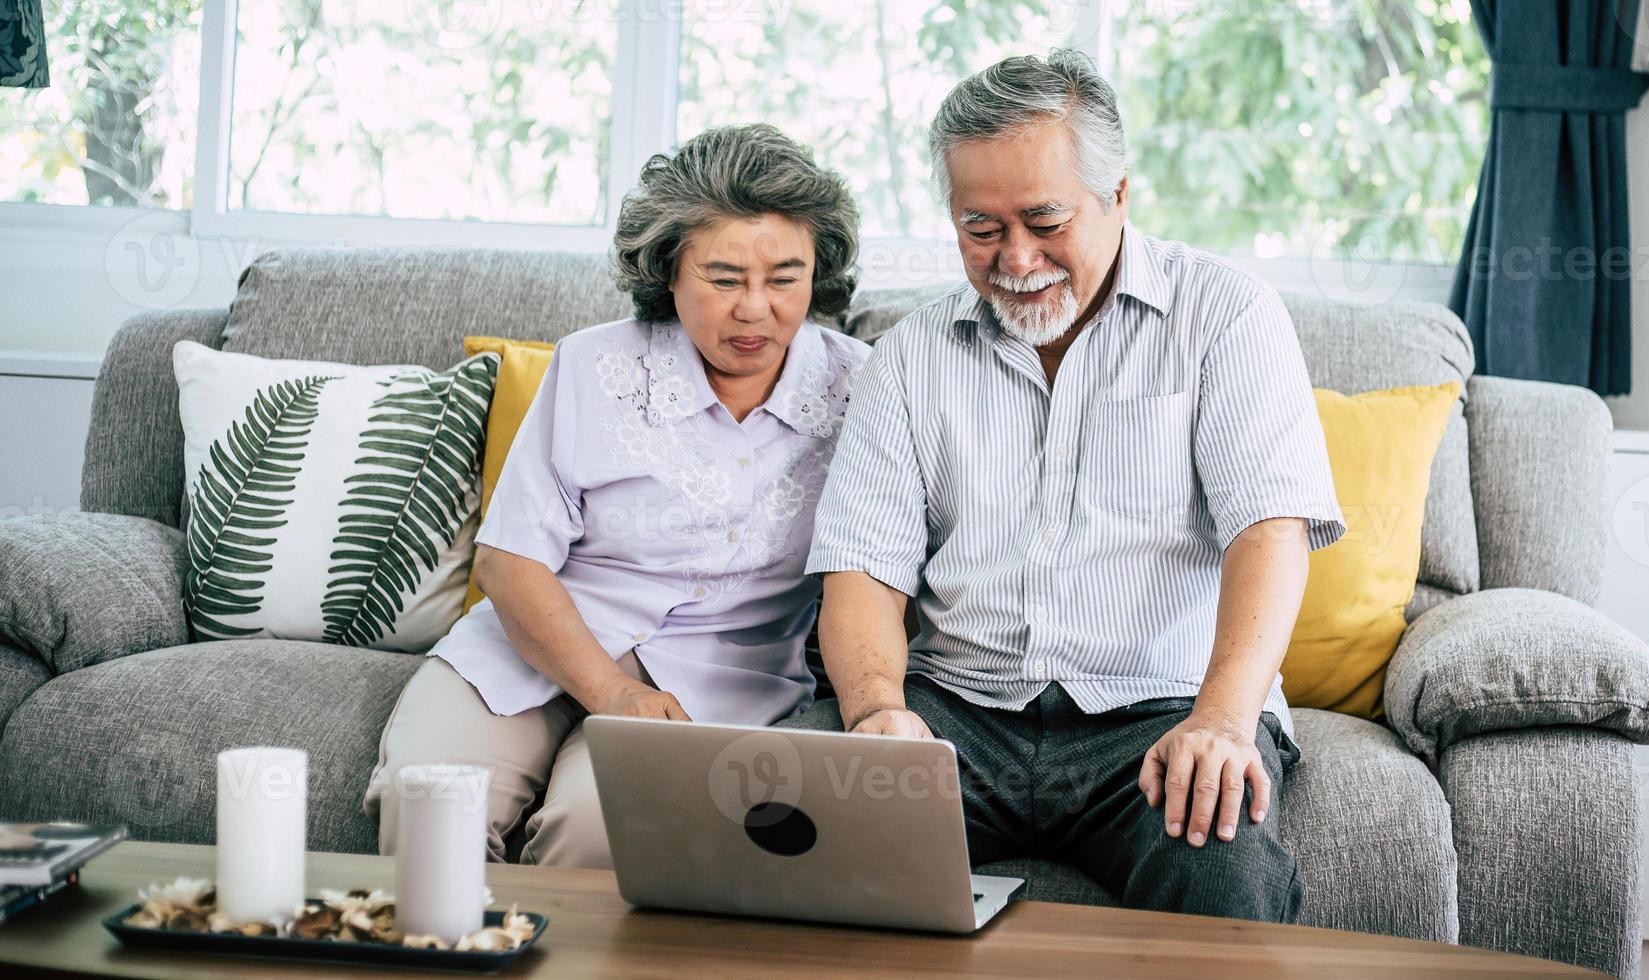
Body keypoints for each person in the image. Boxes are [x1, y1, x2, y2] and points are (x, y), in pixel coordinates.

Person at [783, 51, 1344, 922]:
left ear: (1119, 194)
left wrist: (1225, 720)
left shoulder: (1226, 315)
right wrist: (876, 714)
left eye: (1045, 220)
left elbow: (1267, 532)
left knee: (1222, 875)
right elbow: (863, 570)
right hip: (953, 714)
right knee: (780, 829)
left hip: (1159, 712)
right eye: (980, 227)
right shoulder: (909, 357)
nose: (1015, 258)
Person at [364, 124, 870, 868]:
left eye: (784, 278)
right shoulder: (593, 364)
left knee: (600, 837)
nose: (754, 309)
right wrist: (611, 690)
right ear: (668, 271)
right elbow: (510, 562)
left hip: (717, 680)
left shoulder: (866, 389)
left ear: (818, 272)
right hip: (533, 642)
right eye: (723, 279)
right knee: (429, 802)